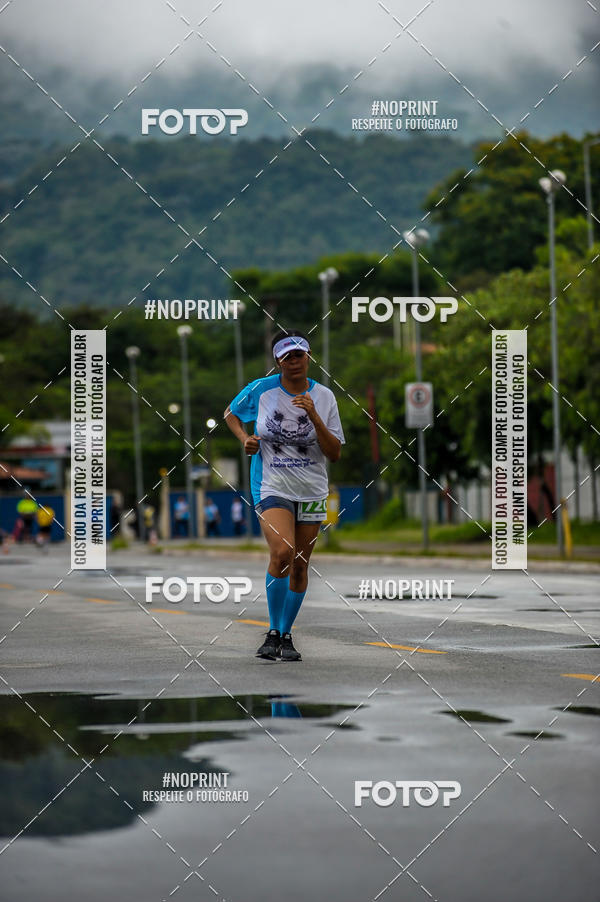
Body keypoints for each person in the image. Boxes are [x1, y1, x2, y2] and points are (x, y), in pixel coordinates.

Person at [225, 330, 344, 662]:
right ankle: (273, 632)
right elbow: (230, 413)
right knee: (283, 552)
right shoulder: (261, 390)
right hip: (271, 484)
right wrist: (245, 439)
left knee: (300, 566)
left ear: (309, 357)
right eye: (287, 356)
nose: (294, 361)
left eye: (299, 355)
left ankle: (286, 635)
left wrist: (314, 415)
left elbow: (334, 453)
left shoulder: (325, 397)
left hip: (311, 489)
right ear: (278, 361)